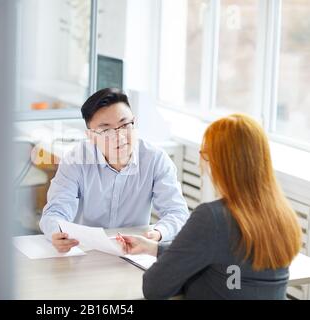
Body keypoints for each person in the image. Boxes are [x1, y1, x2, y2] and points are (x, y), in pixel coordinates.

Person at [117, 114, 302, 299]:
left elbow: (154, 287)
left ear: (219, 162)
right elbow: (229, 260)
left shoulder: (212, 218)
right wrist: (154, 248)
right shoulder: (283, 215)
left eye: (204, 153)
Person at [39, 88, 189, 252]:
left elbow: (177, 212)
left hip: (133, 252)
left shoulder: (156, 159)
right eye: (106, 130)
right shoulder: (75, 160)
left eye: (125, 125)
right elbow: (55, 211)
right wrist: (58, 232)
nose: (120, 136)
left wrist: (158, 233)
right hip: (85, 251)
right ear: (91, 136)